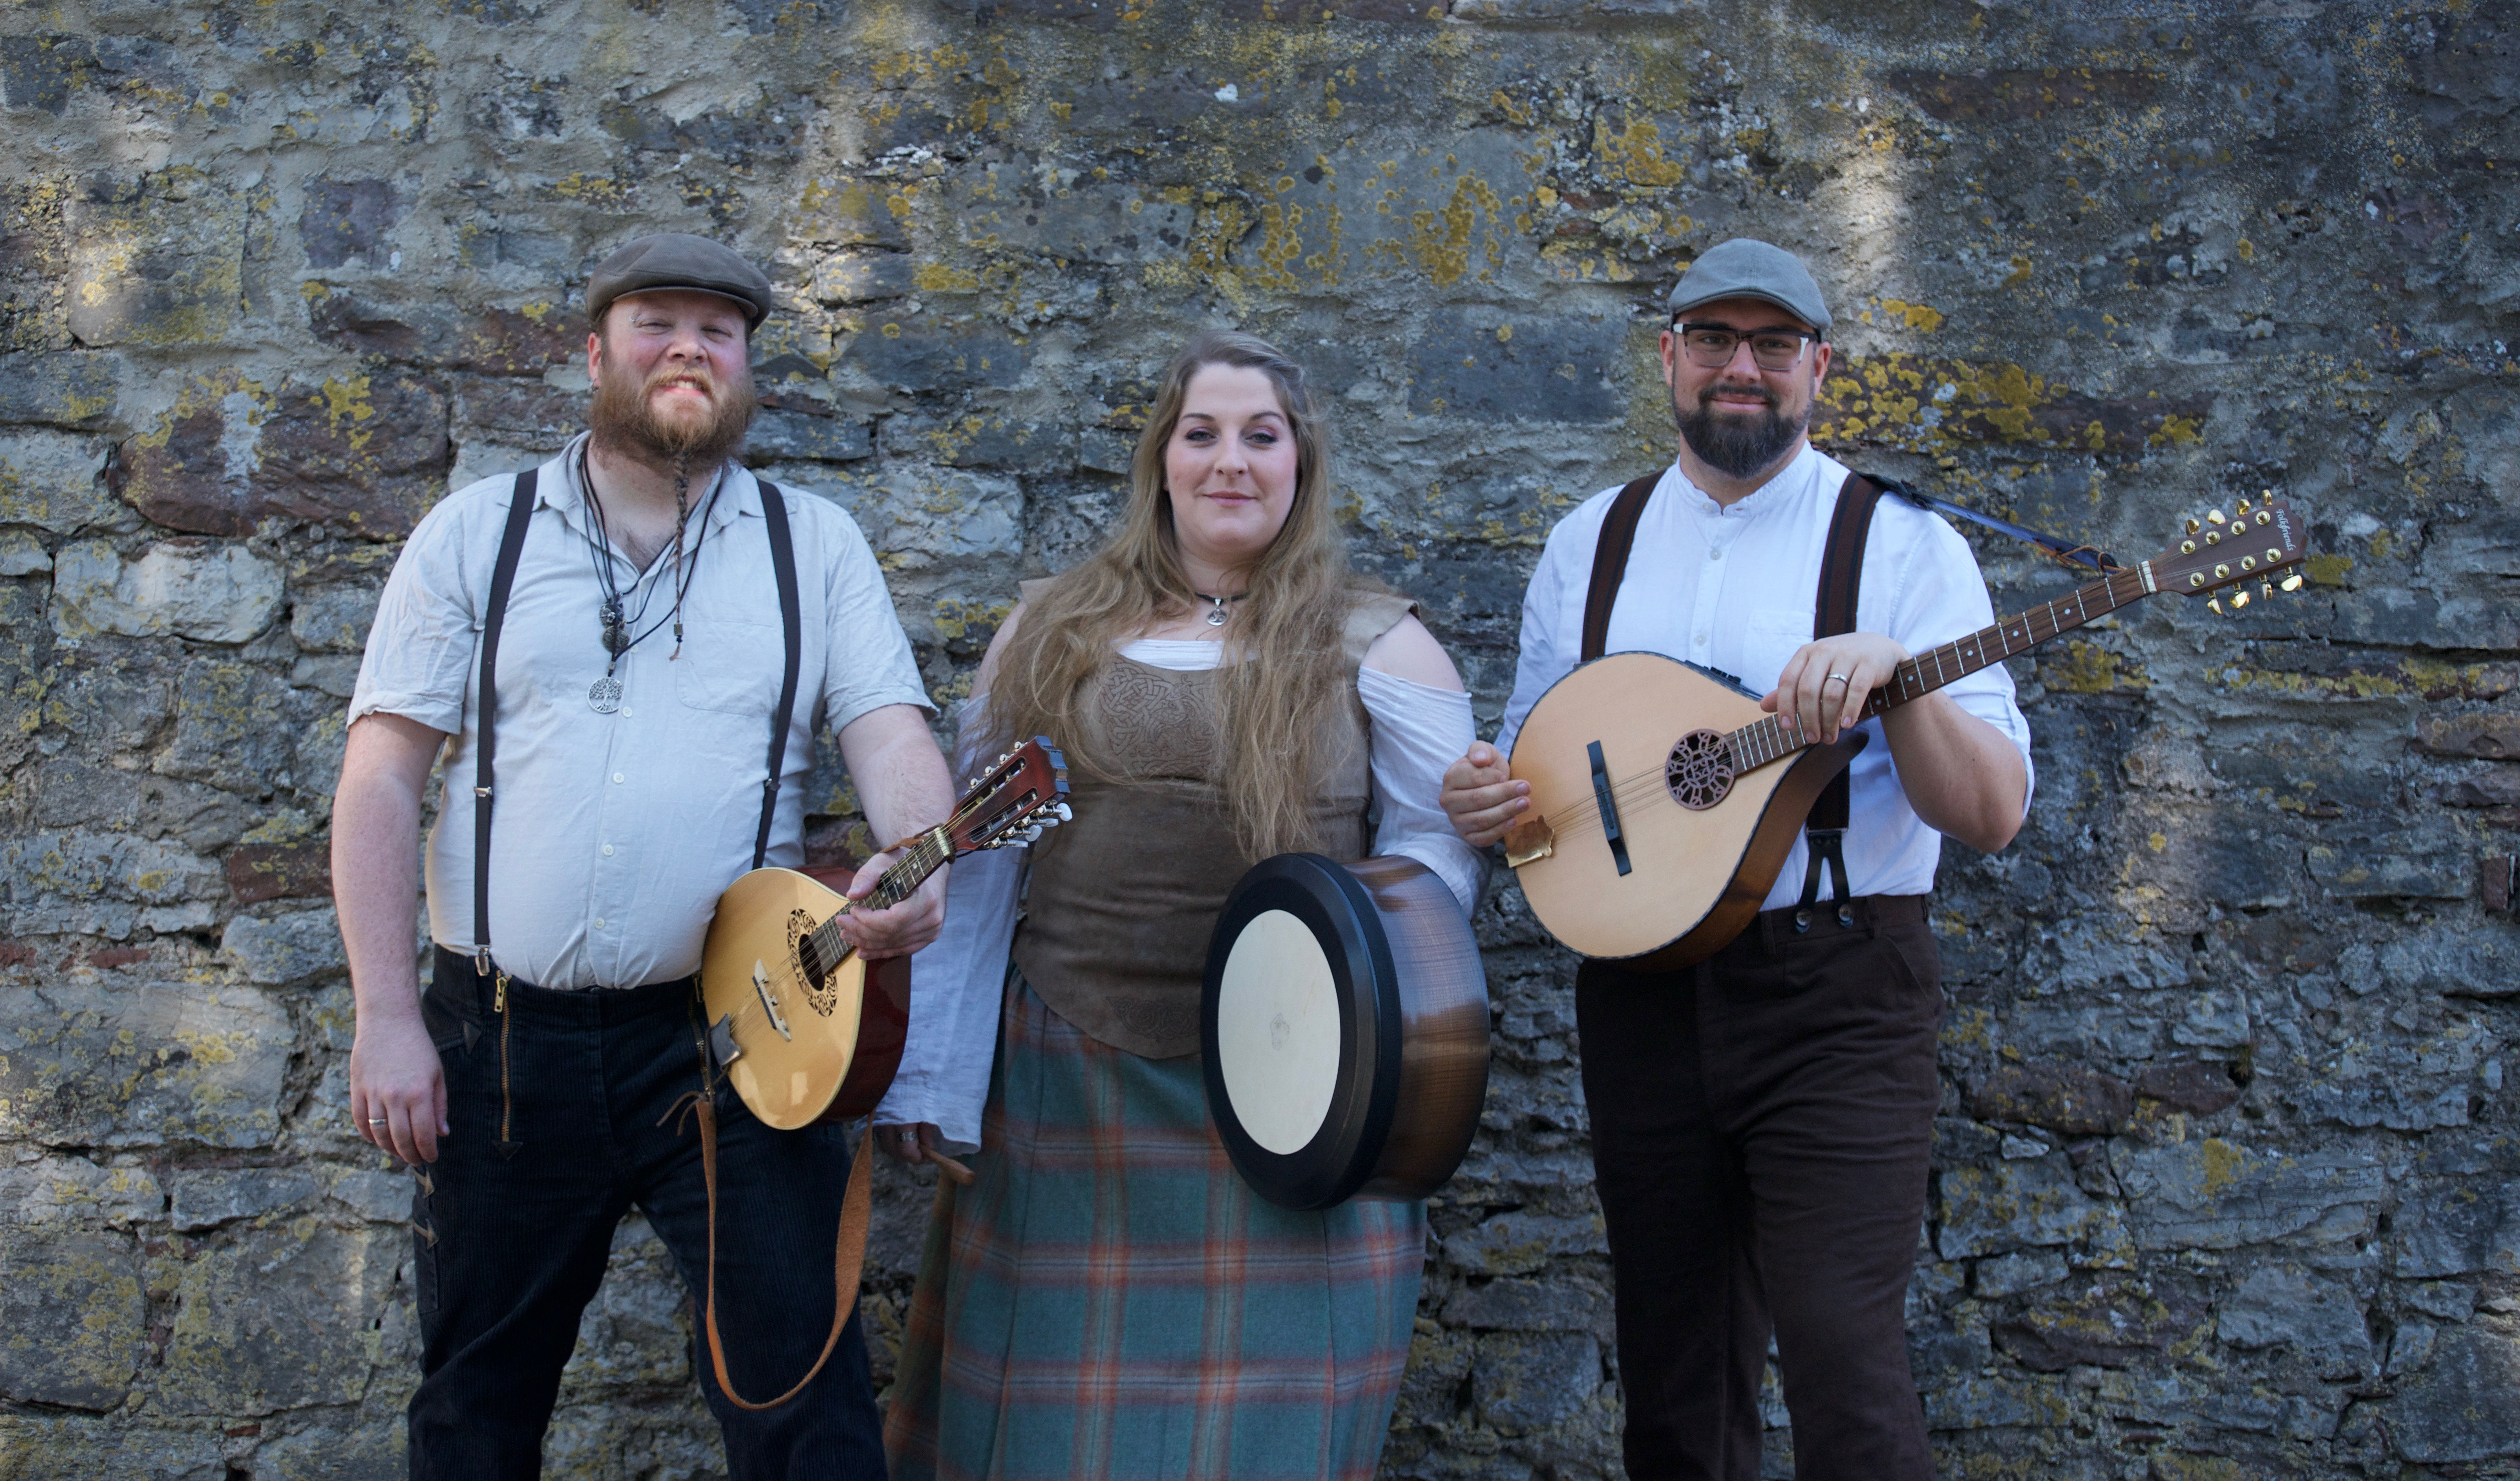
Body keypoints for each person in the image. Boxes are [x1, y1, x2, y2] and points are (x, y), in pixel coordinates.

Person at [333, 232, 954, 1479]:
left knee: (806, 1412)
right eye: (656, 324)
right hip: (501, 1043)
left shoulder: (813, 546)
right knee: (474, 1409)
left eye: (717, 331)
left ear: (745, 365)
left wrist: (919, 856)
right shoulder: (478, 534)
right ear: (595, 353)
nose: (688, 349)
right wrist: (385, 1018)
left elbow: (889, 731)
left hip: (740, 1036)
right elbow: (380, 781)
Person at [1440, 239, 2033, 1480]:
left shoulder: (1900, 544)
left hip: (1838, 988)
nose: (1741, 369)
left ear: (1820, 368)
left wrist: (1899, 683)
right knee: (1675, 1379)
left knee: (1843, 1364)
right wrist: (1489, 805)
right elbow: (1547, 804)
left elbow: (1989, 815)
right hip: (1642, 996)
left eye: (1773, 345)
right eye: (1713, 340)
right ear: (1668, 357)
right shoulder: (1590, 543)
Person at [872, 329, 1485, 1481]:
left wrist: (1359, 990)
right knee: (1053, 1436)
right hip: (1069, 1077)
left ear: (1300, 462)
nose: (1230, 462)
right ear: (1161, 459)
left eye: (1262, 436)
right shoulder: (1050, 631)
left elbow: (1433, 849)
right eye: (1201, 434)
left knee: (1266, 1440)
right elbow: (979, 862)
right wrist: (932, 1076)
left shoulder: (1382, 643)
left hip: (1306, 1088)